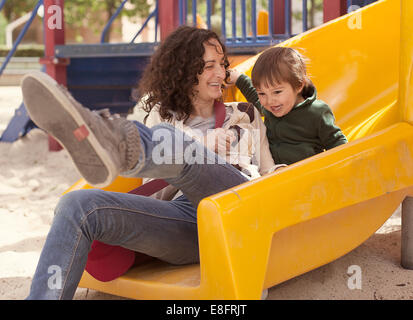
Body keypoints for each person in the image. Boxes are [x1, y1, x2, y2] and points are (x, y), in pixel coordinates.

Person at [22, 26, 280, 300]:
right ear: (184, 70)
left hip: (236, 206)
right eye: (209, 67)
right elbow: (156, 191)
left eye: (222, 65)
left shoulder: (244, 114)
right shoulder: (160, 117)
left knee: (172, 141)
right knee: (75, 205)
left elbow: (268, 170)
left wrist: (284, 172)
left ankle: (111, 137)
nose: (221, 74)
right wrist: (200, 145)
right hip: (185, 222)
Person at [228, 46, 348, 165]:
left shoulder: (317, 112)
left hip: (304, 175)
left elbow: (336, 142)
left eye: (277, 92)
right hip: (272, 173)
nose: (269, 101)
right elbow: (254, 96)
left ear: (299, 85)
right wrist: (238, 78)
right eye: (262, 93)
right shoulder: (271, 108)